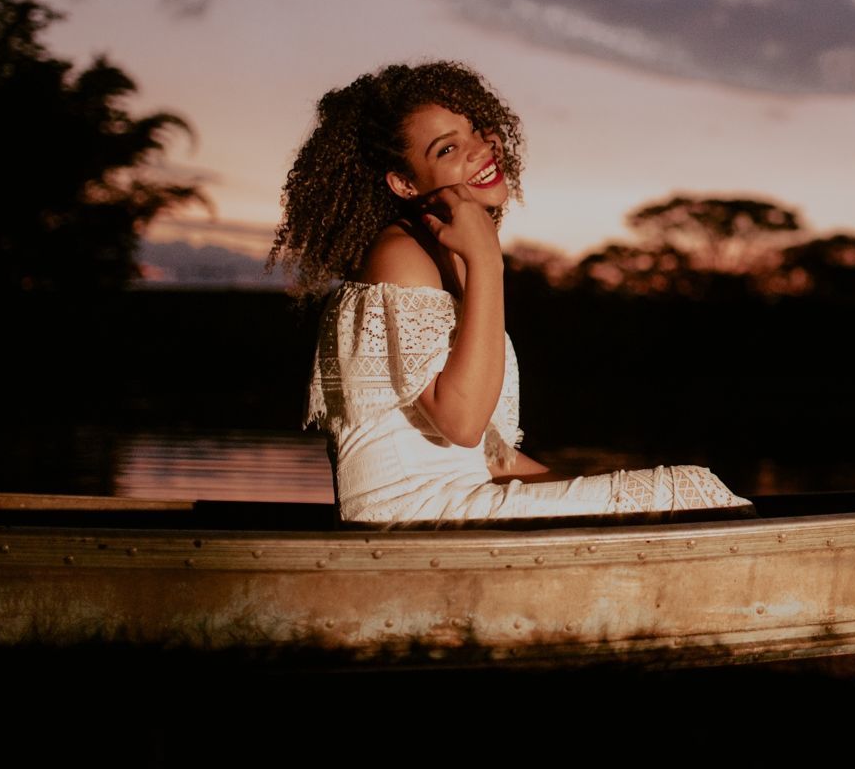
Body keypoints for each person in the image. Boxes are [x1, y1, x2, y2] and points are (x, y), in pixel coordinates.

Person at [267, 60, 752, 525]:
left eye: (477, 130)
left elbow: (489, 455)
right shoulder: (400, 257)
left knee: (683, 493)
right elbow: (461, 423)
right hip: (409, 514)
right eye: (447, 149)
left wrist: (601, 488)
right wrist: (487, 262)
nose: (483, 147)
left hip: (458, 499)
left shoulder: (442, 259)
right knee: (691, 491)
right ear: (403, 183)